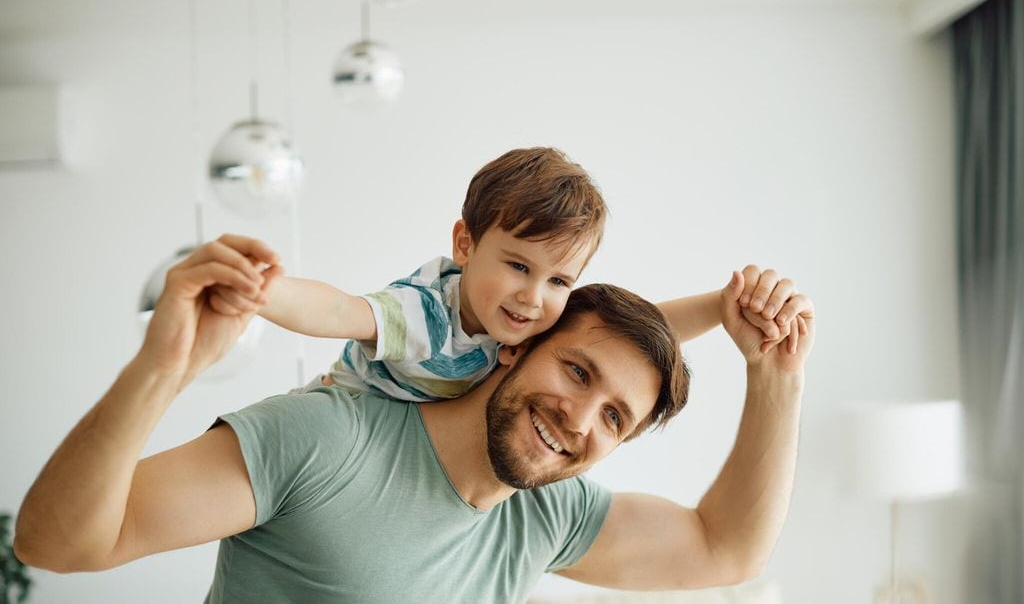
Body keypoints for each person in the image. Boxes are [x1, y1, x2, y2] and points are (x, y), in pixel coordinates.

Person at [14, 234, 814, 602]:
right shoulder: (325, 439)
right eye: (575, 371)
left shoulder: (546, 515)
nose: (579, 418)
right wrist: (161, 371)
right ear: (512, 346)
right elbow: (55, 543)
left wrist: (775, 375)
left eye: (615, 418)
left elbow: (725, 549)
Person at [238, 147, 799, 402]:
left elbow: (641, 330)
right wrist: (262, 289)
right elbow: (339, 310)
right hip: (337, 408)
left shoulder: (528, 321)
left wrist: (723, 308)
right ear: (465, 244)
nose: (534, 297)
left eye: (559, 281)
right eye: (517, 265)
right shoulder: (425, 313)